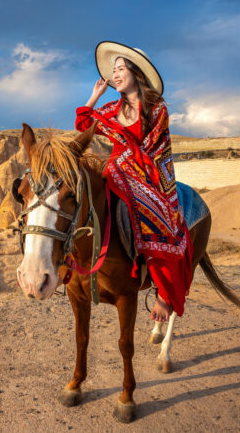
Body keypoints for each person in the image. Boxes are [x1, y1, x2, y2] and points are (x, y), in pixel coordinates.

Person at [75, 41, 192, 322]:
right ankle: (68, 261)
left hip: (148, 172)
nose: (115, 75)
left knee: (161, 219)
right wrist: (94, 96)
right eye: (113, 70)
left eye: (120, 69)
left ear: (136, 73)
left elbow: (155, 148)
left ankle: (163, 294)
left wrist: (128, 159)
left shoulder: (156, 108)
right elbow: (83, 125)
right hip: (116, 169)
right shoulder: (109, 109)